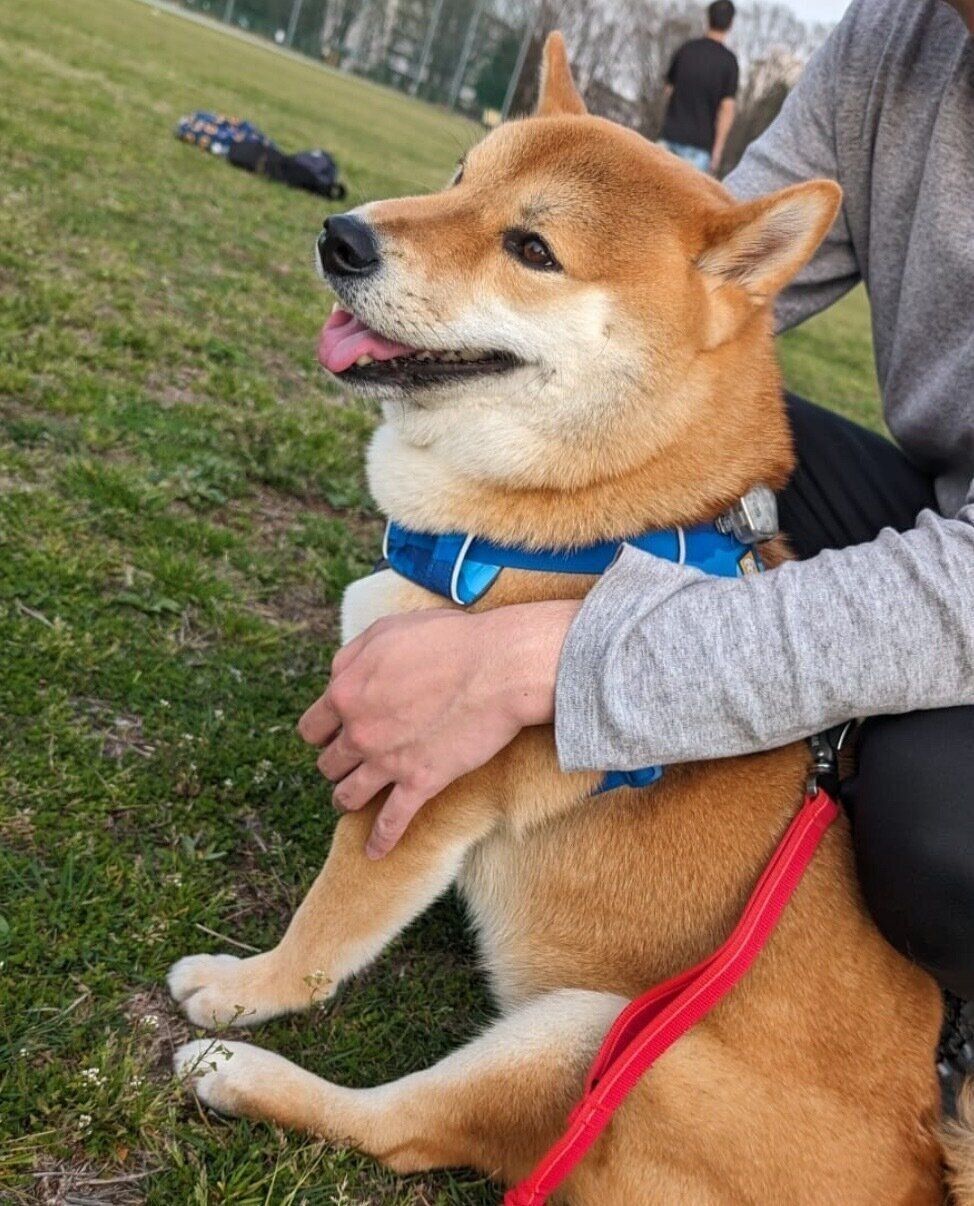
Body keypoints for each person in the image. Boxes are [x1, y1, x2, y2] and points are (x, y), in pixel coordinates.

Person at [299, 0, 974, 1078]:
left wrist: (561, 659)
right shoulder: (898, 39)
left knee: (936, 836)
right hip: (948, 505)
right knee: (693, 432)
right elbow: (705, 268)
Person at [658, 0, 739, 174]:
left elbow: (668, 90)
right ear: (731, 24)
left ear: (707, 18)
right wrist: (717, 151)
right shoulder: (729, 62)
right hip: (699, 148)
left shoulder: (686, 50)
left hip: (669, 138)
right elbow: (727, 110)